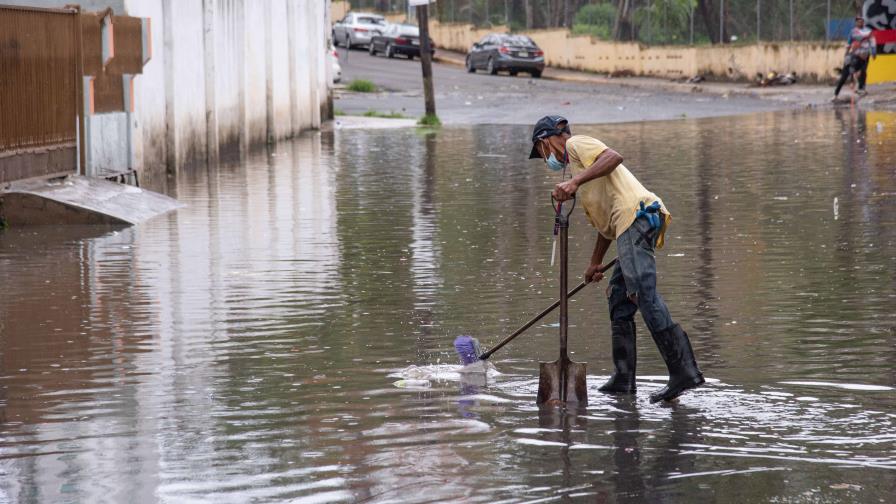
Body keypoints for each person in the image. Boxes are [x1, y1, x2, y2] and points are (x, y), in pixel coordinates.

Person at [528, 115, 704, 403]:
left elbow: (614, 156)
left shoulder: (576, 145)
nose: (546, 159)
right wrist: (594, 262)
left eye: (542, 151)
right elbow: (608, 226)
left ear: (546, 140)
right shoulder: (583, 174)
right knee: (619, 301)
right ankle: (623, 379)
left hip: (637, 217)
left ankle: (684, 371)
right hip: (627, 224)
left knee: (643, 295)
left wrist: (574, 181)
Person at [834, 16, 877, 100]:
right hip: (855, 55)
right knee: (844, 75)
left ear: (863, 22)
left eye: (861, 21)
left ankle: (861, 89)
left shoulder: (868, 31)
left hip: (865, 56)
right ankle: (836, 94)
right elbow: (849, 43)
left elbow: (872, 42)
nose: (860, 23)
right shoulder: (853, 32)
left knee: (863, 71)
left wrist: (874, 52)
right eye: (858, 21)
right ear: (856, 23)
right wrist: (846, 53)